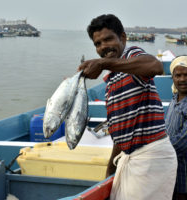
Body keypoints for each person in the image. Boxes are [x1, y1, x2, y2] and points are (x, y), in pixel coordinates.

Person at [78, 14, 177, 200]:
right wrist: (110, 169)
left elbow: (154, 66)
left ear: (122, 38)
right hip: (129, 158)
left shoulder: (131, 56)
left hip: (151, 158)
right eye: (97, 44)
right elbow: (121, 130)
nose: (103, 47)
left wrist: (102, 63)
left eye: (108, 39)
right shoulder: (111, 81)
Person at [165, 56, 187, 200]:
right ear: (172, 77)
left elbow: (184, 140)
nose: (182, 79)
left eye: (186, 75)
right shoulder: (174, 99)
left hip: (184, 173)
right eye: (178, 75)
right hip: (170, 168)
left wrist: (159, 150)